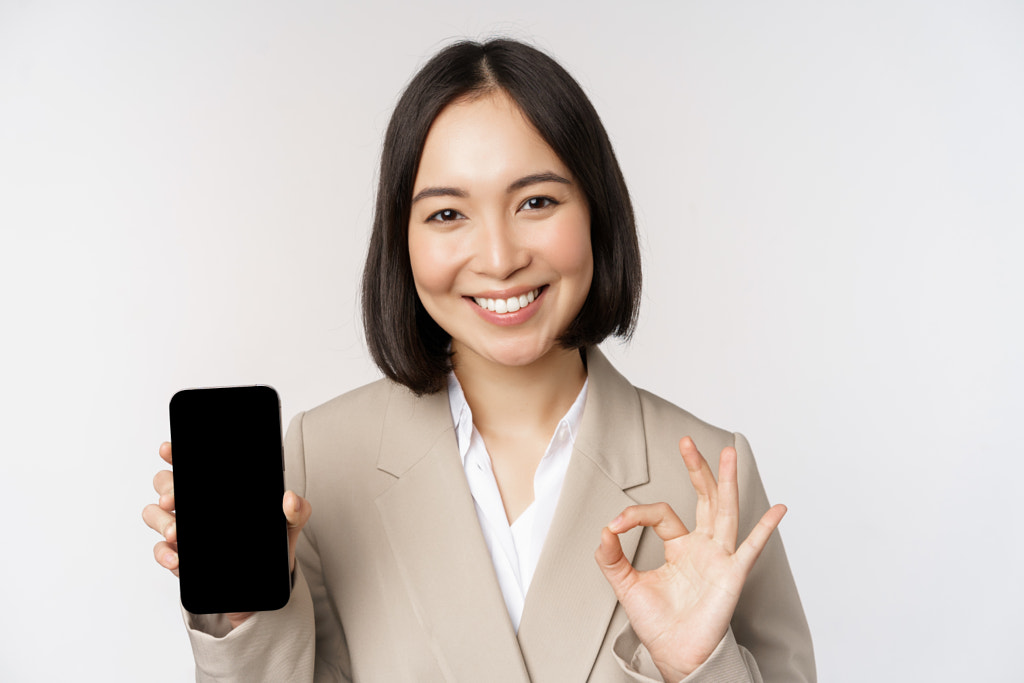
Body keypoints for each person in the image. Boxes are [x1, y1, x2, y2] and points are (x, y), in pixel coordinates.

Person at [143, 38, 815, 682]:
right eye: (446, 215)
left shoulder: (704, 474)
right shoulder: (325, 460)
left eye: (537, 202)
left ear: (596, 213)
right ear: (401, 240)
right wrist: (244, 618)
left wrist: (699, 667)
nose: (499, 258)